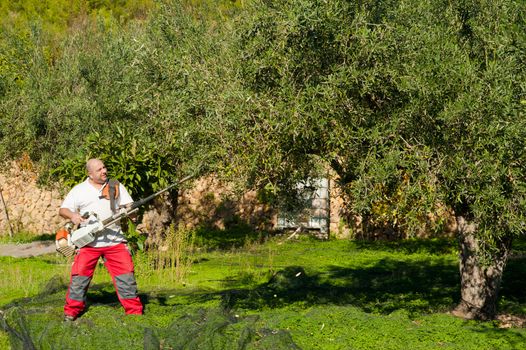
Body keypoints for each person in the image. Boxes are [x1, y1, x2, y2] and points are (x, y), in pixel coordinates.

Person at [59, 158, 143, 321]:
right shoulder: (79, 190)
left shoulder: (115, 186)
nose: (104, 171)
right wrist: (73, 215)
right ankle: (71, 312)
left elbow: (130, 209)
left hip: (115, 241)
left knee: (127, 278)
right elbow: (63, 210)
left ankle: (135, 314)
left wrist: (131, 212)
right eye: (99, 169)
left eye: (104, 167)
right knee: (79, 278)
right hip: (88, 243)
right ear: (89, 174)